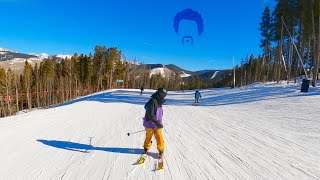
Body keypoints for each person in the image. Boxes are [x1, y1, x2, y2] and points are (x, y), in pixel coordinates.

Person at [143, 87, 167, 159]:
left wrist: (158, 122)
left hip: (157, 124)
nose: (163, 97)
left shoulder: (159, 101)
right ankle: (146, 148)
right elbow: (150, 115)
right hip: (150, 124)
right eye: (163, 95)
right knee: (148, 137)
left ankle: (161, 150)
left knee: (159, 137)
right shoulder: (153, 101)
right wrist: (158, 123)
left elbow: (159, 113)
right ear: (159, 94)